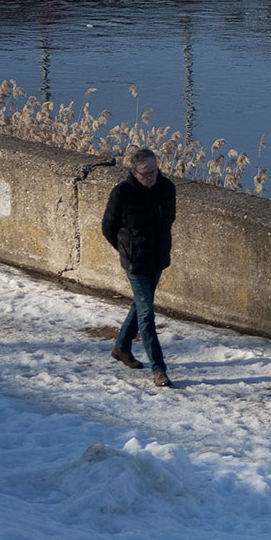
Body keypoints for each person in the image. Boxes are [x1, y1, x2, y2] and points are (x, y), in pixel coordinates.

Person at [102, 148, 176, 388]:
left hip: (157, 260)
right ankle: (159, 369)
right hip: (135, 263)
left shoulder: (166, 188)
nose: (152, 177)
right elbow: (108, 228)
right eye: (146, 174)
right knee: (146, 313)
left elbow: (168, 220)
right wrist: (126, 249)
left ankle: (121, 347)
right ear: (134, 173)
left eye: (155, 171)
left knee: (139, 305)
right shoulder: (122, 194)